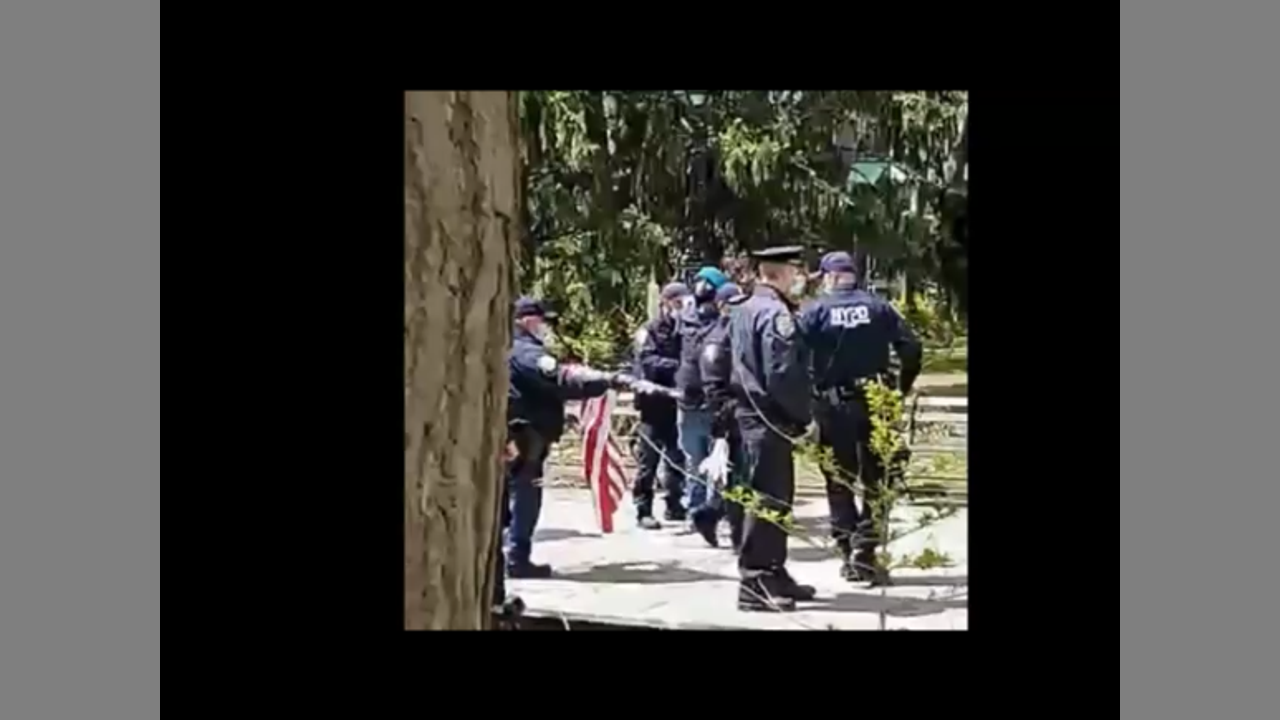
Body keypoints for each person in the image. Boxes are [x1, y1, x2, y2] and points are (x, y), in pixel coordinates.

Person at [798, 252, 922, 585]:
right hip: (876, 402)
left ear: (830, 277)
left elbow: (794, 355)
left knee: (838, 480)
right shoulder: (879, 307)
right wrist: (900, 389)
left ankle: (847, 547)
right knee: (879, 479)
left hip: (832, 406)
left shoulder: (815, 311)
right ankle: (865, 549)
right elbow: (911, 348)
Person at [505, 296, 645, 579]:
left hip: (521, 430)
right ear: (527, 320)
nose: (546, 327)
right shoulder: (525, 351)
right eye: (543, 321)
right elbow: (559, 378)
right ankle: (516, 557)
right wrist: (605, 380)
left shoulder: (511, 347)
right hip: (525, 433)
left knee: (516, 494)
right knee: (525, 495)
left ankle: (508, 556)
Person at [728, 246, 816, 611]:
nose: (801, 279)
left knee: (777, 498)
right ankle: (755, 580)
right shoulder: (775, 314)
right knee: (768, 499)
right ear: (780, 274)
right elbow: (783, 374)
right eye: (797, 272)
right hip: (770, 417)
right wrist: (804, 417)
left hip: (753, 415)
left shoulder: (745, 307)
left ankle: (774, 571)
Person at [674, 266, 730, 538]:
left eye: (707, 284)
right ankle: (694, 513)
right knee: (693, 460)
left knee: (717, 463)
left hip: (713, 400)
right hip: (687, 399)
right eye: (699, 282)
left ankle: (713, 513)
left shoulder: (726, 320)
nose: (701, 287)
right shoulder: (685, 318)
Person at [631, 282, 691, 528]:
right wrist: (680, 367)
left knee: (677, 458)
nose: (681, 308)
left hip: (677, 403)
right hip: (653, 404)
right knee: (649, 460)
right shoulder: (649, 330)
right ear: (665, 303)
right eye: (677, 303)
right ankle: (643, 509)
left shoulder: (686, 329)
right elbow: (648, 361)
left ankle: (674, 505)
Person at [696, 282, 747, 550]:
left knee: (739, 476)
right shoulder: (717, 338)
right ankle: (737, 535)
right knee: (738, 477)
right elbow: (713, 383)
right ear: (722, 306)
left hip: (742, 413)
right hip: (728, 417)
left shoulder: (739, 332)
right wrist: (725, 414)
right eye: (734, 304)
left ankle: (712, 514)